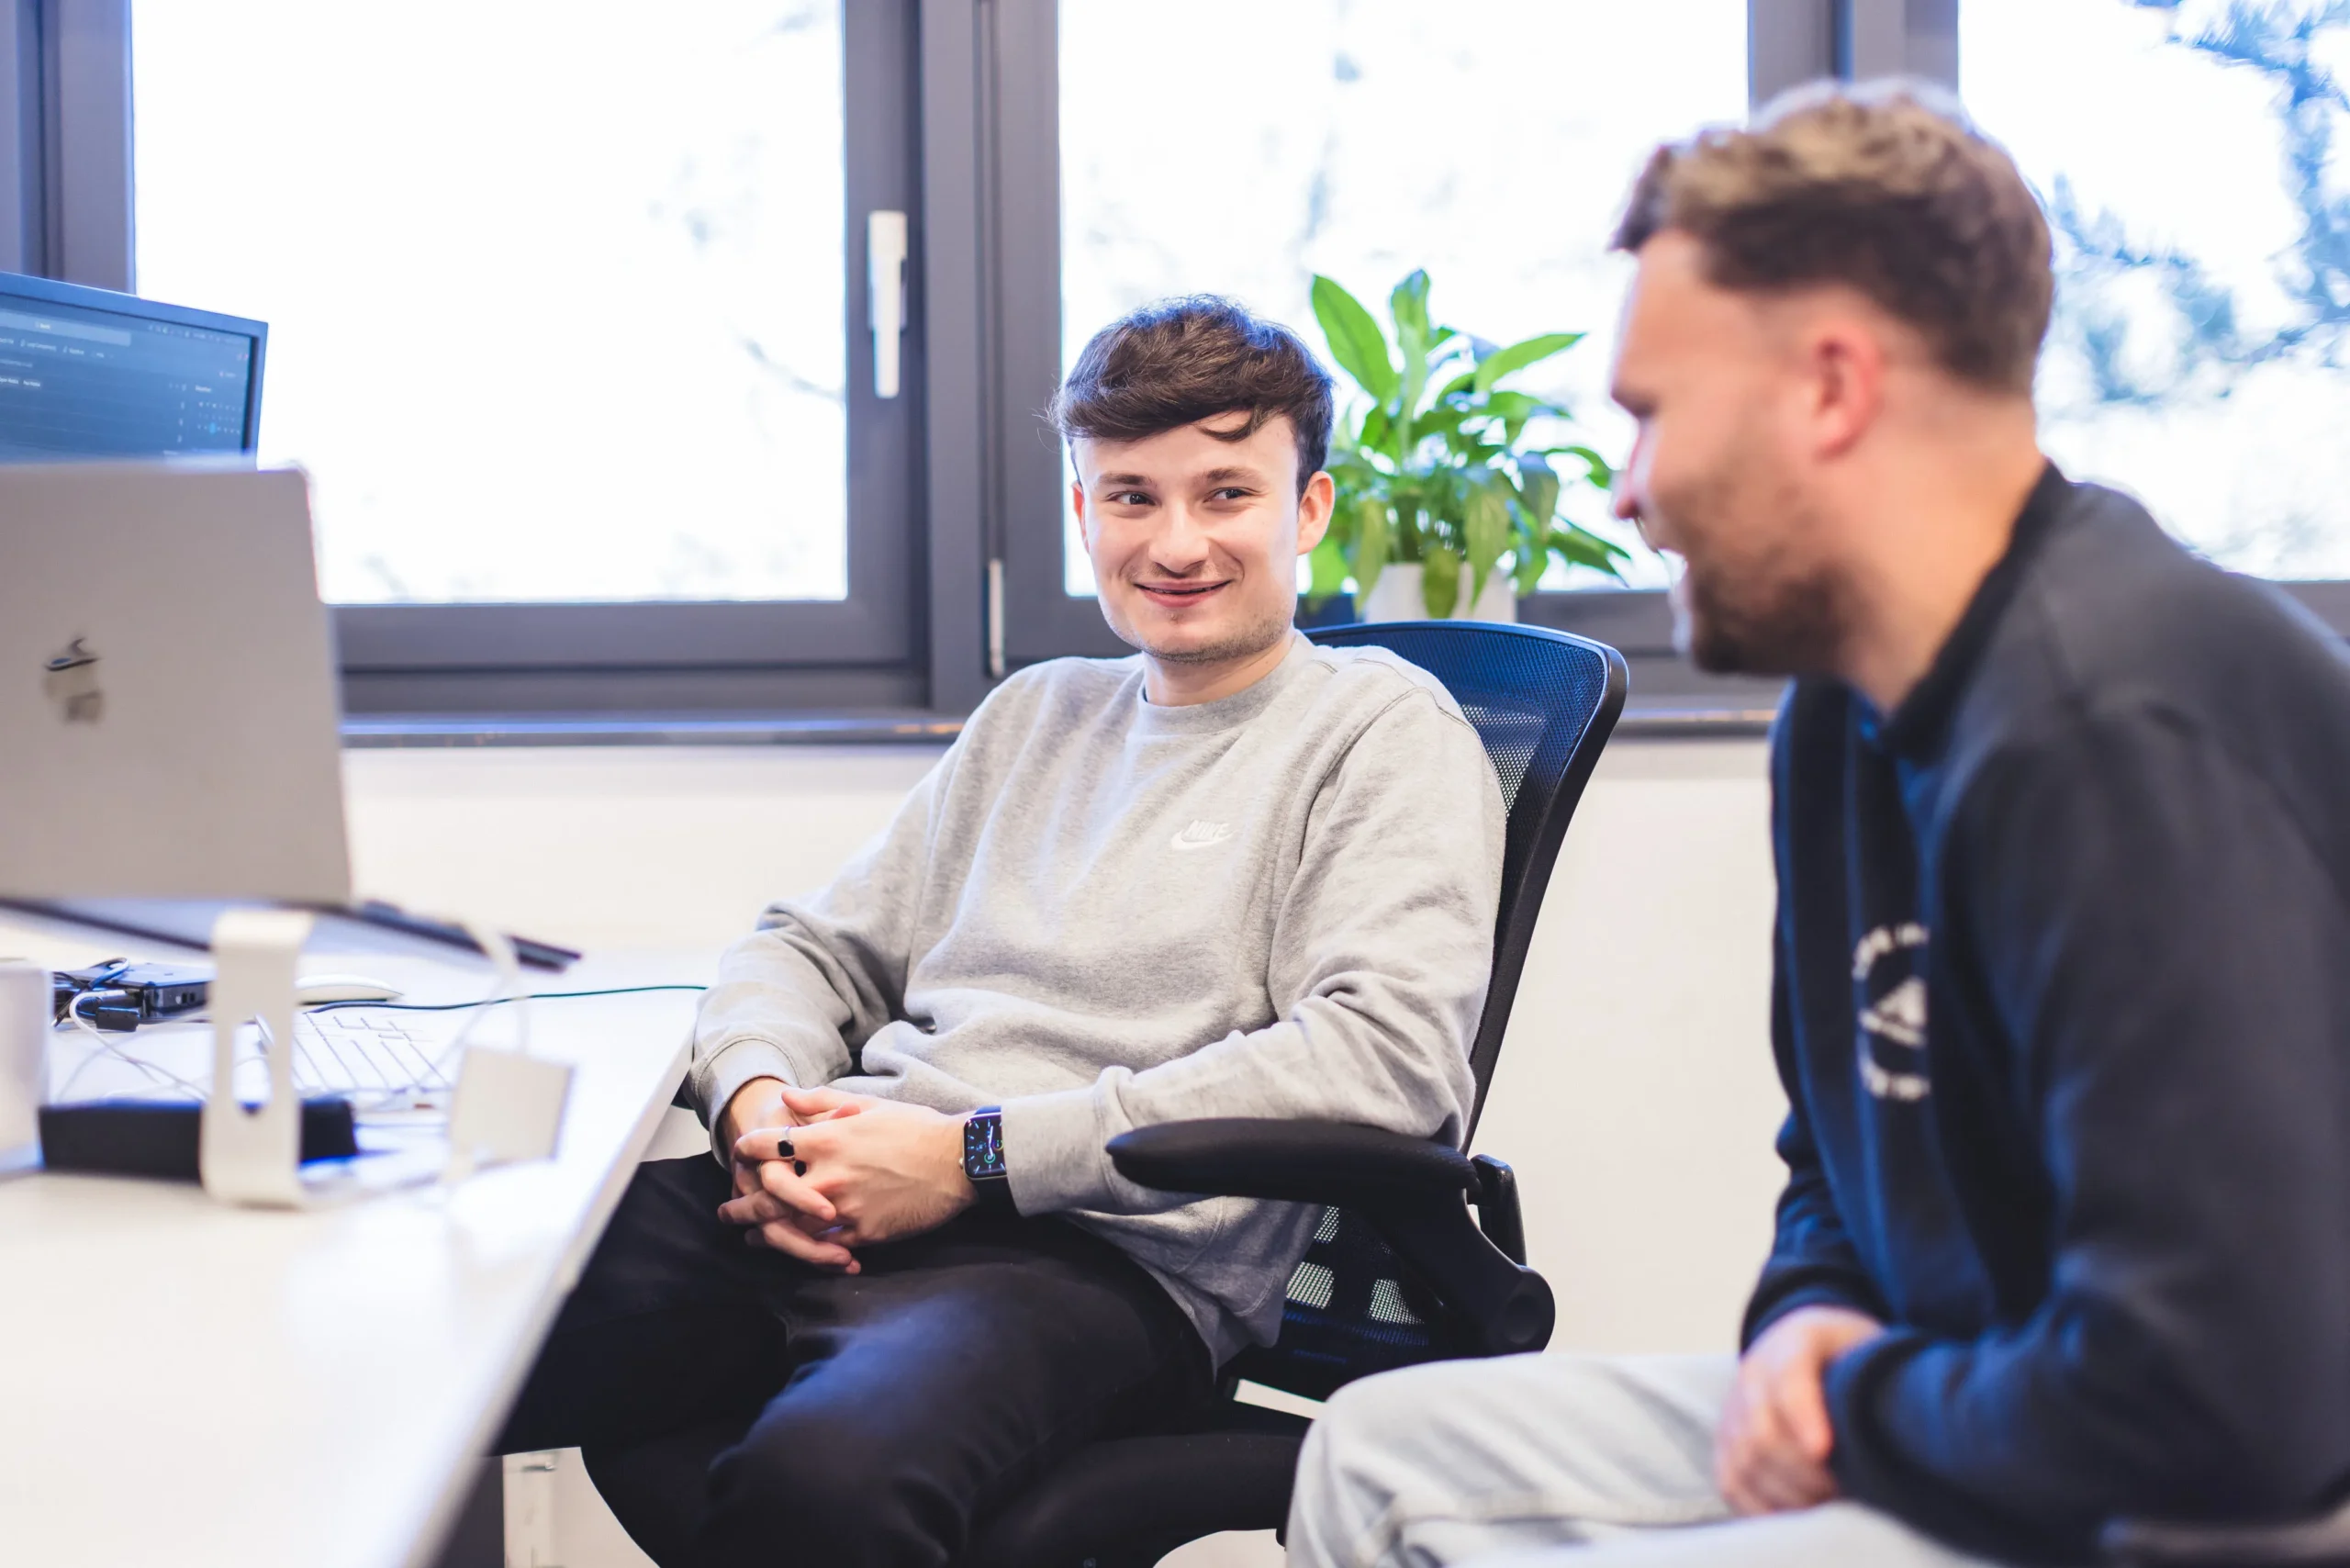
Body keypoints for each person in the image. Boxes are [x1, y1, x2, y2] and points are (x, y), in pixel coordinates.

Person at [1287, 80, 2350, 1568]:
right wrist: (1813, 1316)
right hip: (1984, 1406)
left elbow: (2236, 1409)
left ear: (1834, 387)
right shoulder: (1841, 722)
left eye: (1654, 415)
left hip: (2223, 1490)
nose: (1632, 491)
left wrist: (1852, 1402)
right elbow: (1838, 1160)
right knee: (1378, 1455)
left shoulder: (2119, 721)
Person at [495, 296, 1506, 1568]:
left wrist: (970, 1158)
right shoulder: (1038, 715)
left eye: (1226, 493)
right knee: (431, 1329)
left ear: (1306, 510)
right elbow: (810, 948)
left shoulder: (1384, 731)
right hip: (832, 1186)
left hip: (1091, 1259)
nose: (1177, 540)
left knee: (823, 1490)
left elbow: (1384, 1065)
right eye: (1132, 495)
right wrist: (759, 1107)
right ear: (1084, 514)